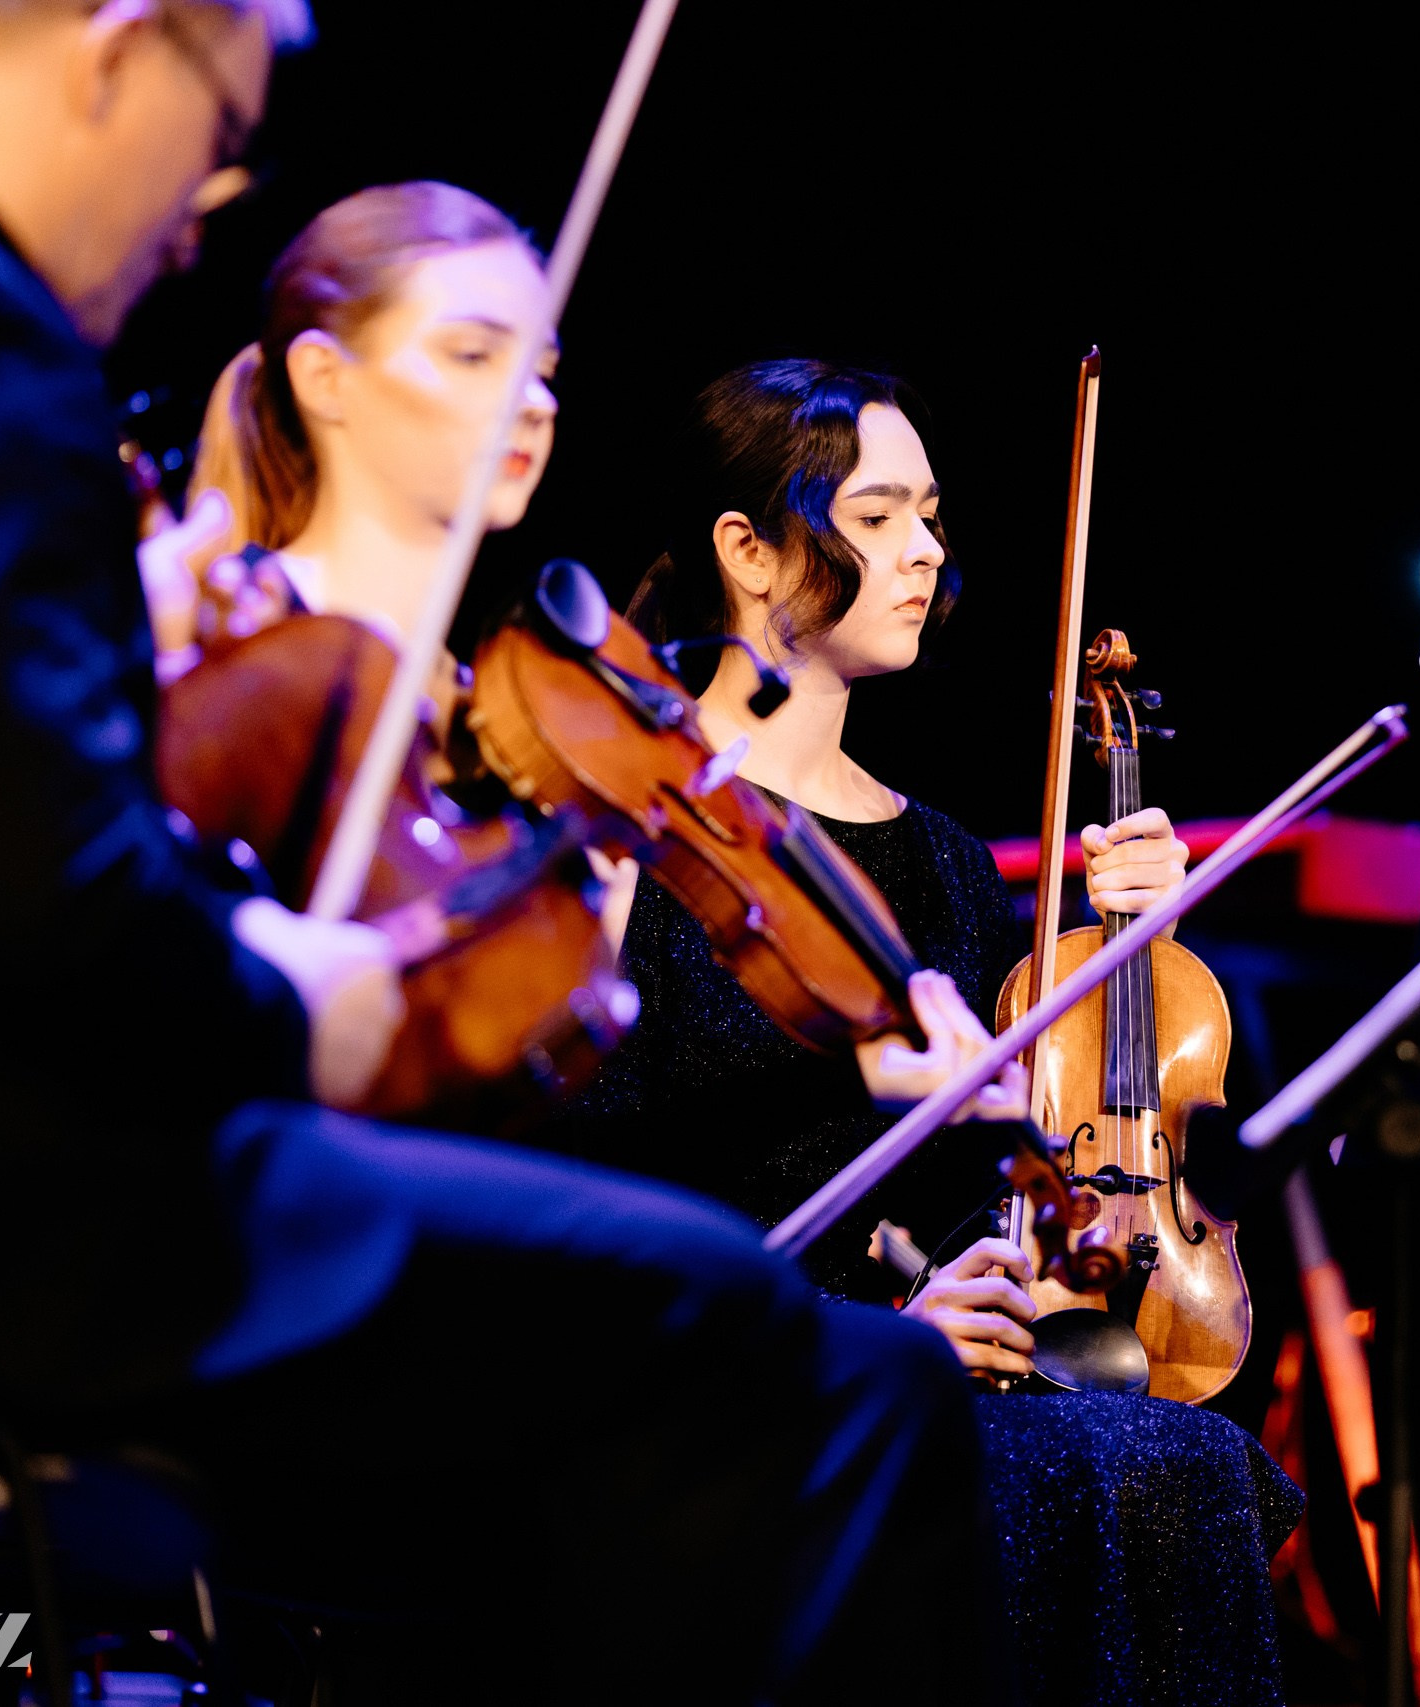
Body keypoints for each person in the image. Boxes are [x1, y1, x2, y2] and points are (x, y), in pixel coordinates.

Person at [0, 4, 1017, 1698]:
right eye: (220, 133)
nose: (203, 203)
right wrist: (297, 1000)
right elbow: (51, 918)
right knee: (825, 1374)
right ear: (120, 45)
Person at [546, 360, 1304, 1706]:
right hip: (729, 1378)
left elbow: (997, 1186)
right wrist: (878, 1325)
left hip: (936, 1360)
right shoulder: (639, 827)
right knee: (1132, 1468)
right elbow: (590, 1177)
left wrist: (1121, 955)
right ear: (753, 551)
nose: (930, 549)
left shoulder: (949, 866)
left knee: (1187, 1457)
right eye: (882, 515)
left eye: (933, 514)